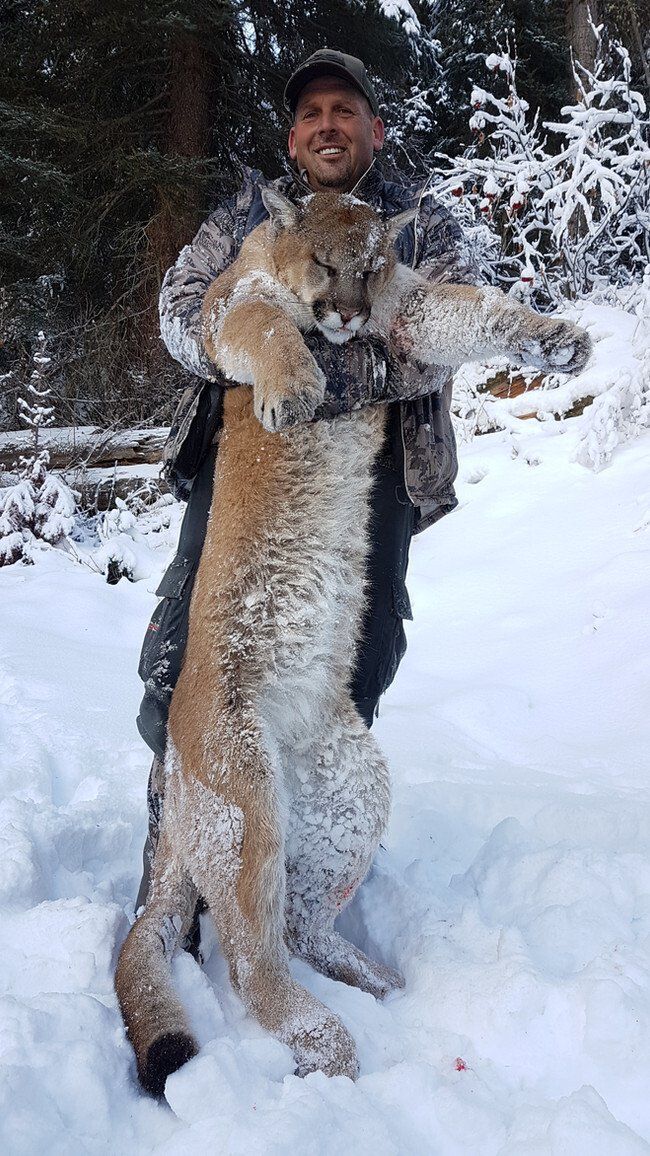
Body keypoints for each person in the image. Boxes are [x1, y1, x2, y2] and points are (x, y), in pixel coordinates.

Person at [134, 48, 472, 946]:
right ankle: (176, 881)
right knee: (186, 671)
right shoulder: (251, 215)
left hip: (372, 487)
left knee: (340, 685)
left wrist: (302, 353)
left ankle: (293, 895)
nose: (328, 124)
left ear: (375, 129)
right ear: (293, 135)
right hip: (249, 471)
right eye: (312, 112)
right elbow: (180, 314)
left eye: (346, 110)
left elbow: (433, 335)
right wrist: (255, 351)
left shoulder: (418, 223)